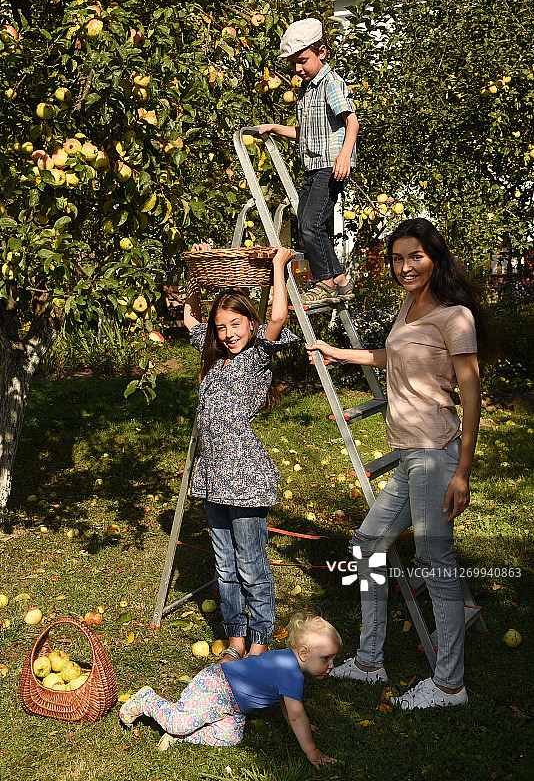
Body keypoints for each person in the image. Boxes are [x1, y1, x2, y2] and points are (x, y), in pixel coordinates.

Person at [307, 218, 488, 709]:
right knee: (366, 546)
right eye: (397, 258)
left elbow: (471, 397)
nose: (405, 267)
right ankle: (370, 661)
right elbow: (393, 356)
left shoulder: (455, 317)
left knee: (435, 564)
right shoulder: (409, 305)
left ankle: (450, 684)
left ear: (435, 258)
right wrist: (336, 351)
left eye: (415, 257)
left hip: (436, 454)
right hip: (411, 457)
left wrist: (463, 471)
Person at [183, 247, 298, 663]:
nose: (228, 333)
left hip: (244, 473)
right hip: (214, 473)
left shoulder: (255, 356)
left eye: (236, 323)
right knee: (225, 564)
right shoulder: (213, 354)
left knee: (250, 563)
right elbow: (190, 318)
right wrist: (194, 278)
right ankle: (234, 637)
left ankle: (261, 637)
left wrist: (278, 268)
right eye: (222, 327)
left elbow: (279, 318)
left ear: (250, 322)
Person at [119, 612, 340, 767]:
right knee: (179, 721)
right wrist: (311, 750)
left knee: (230, 737)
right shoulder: (291, 673)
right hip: (216, 687)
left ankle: (182, 735)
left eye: (333, 659)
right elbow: (295, 714)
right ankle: (146, 700)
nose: (331, 665)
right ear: (303, 653)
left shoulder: (286, 663)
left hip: (232, 706)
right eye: (326, 658)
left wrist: (303, 724)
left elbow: (287, 704)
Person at [258, 18, 358, 307]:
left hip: (330, 165)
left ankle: (326, 281)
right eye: (293, 64)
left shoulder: (330, 83)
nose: (298, 69)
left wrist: (344, 156)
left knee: (310, 224)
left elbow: (351, 122)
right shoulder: (306, 89)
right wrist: (276, 128)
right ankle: (339, 280)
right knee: (307, 223)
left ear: (322, 53)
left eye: (303, 61)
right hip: (312, 166)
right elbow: (305, 132)